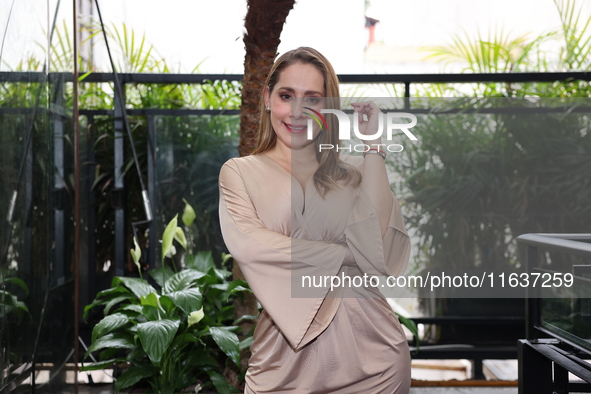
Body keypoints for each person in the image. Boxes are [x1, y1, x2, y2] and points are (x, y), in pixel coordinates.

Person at [218, 47, 411, 393]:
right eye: (286, 95)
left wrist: (373, 146)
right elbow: (252, 247)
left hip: (374, 357)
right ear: (267, 98)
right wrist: (348, 255)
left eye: (313, 99)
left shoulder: (353, 172)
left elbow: (380, 248)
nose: (297, 111)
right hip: (282, 359)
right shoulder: (239, 173)